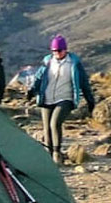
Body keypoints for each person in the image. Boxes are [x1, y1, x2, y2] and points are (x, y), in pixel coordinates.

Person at [29, 35, 94, 163]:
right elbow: (38, 77)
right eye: (54, 51)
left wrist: (89, 99)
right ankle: (49, 154)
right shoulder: (47, 61)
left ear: (65, 50)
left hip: (65, 98)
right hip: (47, 98)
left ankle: (57, 153)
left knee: (55, 123)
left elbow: (84, 82)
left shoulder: (74, 63)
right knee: (46, 127)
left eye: (59, 50)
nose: (57, 53)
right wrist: (32, 90)